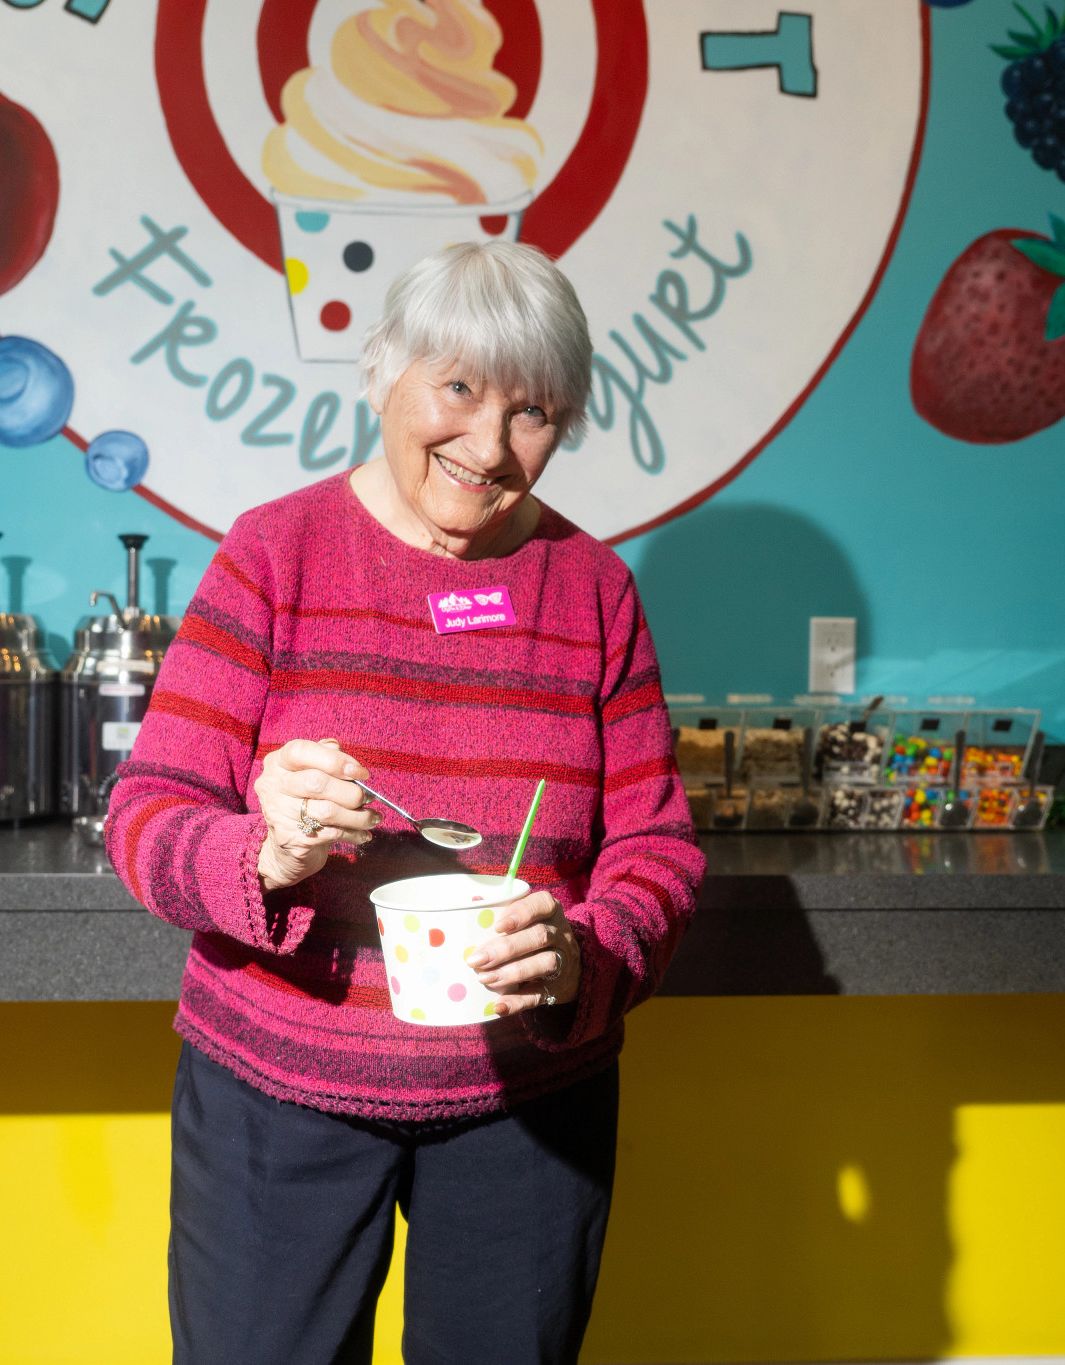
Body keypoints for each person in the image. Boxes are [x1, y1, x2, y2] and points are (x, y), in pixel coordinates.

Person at [106, 240, 704, 1365]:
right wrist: (267, 853)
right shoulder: (271, 557)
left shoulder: (594, 593)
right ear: (384, 371)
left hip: (526, 1101)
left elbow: (656, 857)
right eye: (460, 388)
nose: (487, 445)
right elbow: (145, 815)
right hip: (275, 1085)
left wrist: (583, 960)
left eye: (535, 414)